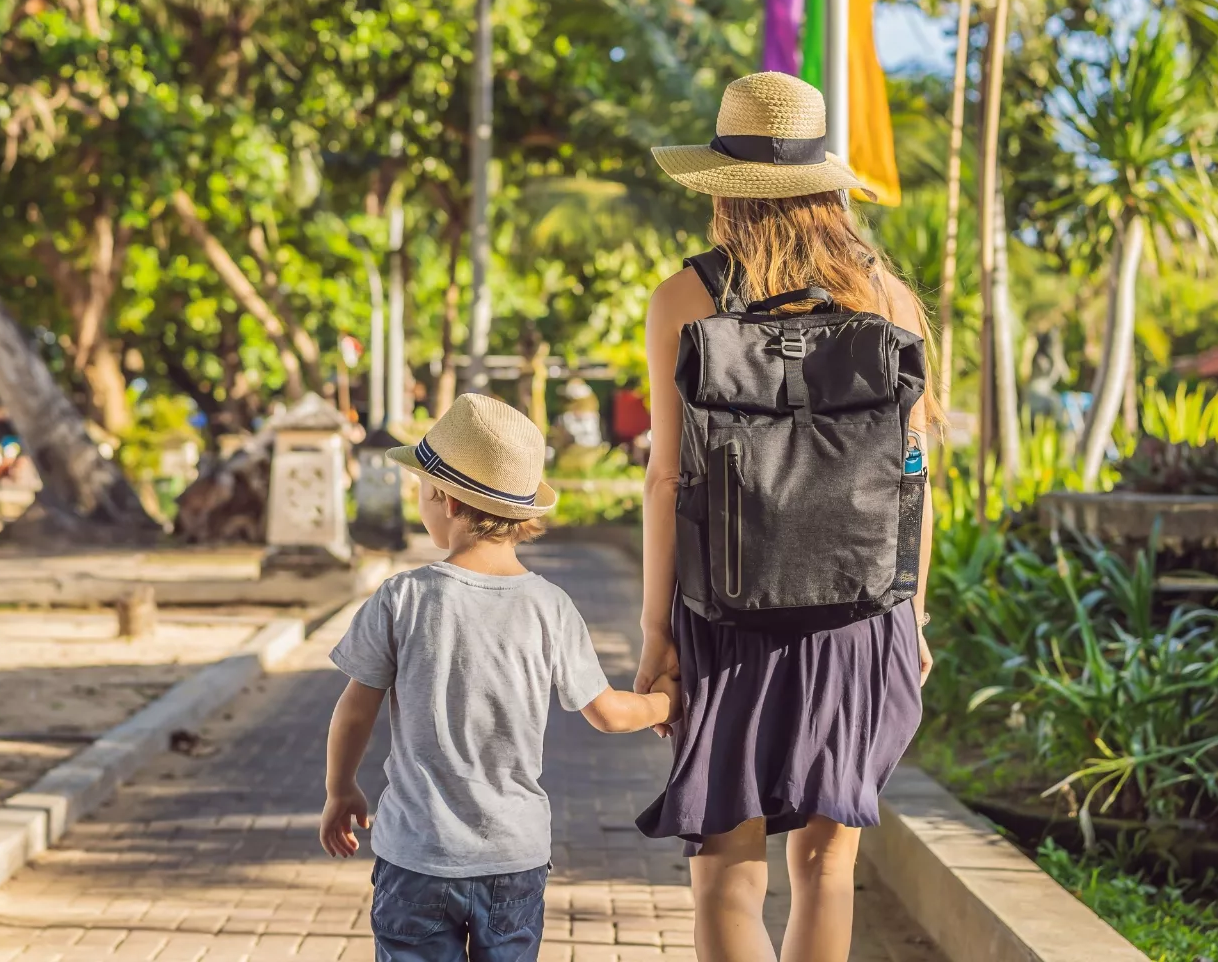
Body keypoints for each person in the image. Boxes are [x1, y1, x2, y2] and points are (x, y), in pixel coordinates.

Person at [632, 72, 941, 962]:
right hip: (861, 610)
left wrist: (659, 636)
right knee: (826, 867)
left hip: (726, 612)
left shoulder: (683, 299)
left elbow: (665, 480)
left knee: (727, 872)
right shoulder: (888, 300)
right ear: (827, 187)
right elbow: (915, 470)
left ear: (723, 188)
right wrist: (909, 609)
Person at [320, 392, 680, 962]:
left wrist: (341, 789)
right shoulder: (550, 606)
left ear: (445, 498)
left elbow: (355, 709)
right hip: (513, 859)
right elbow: (609, 713)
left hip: (415, 856)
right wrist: (664, 705)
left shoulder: (403, 597)